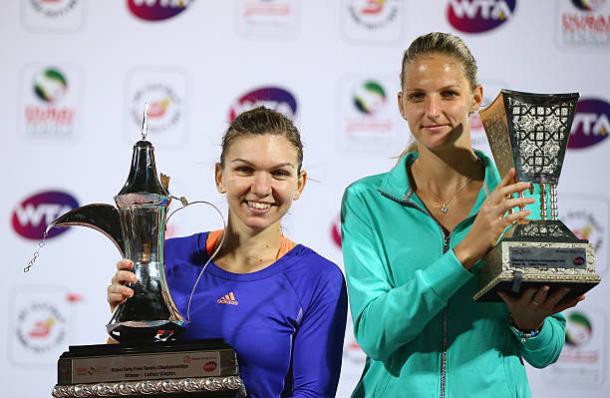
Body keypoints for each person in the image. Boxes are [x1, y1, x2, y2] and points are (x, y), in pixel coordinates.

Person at [340, 32, 584, 398]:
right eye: (418, 96)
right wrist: (466, 252)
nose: (432, 110)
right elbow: (376, 334)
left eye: (449, 93)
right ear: (401, 104)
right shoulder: (367, 200)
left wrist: (529, 326)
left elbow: (547, 350)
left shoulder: (522, 196)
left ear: (476, 97)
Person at [108, 106, 348, 398]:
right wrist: (126, 323)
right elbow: (123, 379)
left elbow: (313, 393)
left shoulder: (318, 279)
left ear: (299, 184)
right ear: (220, 176)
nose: (261, 187)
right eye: (245, 169)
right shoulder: (168, 259)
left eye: (279, 173)